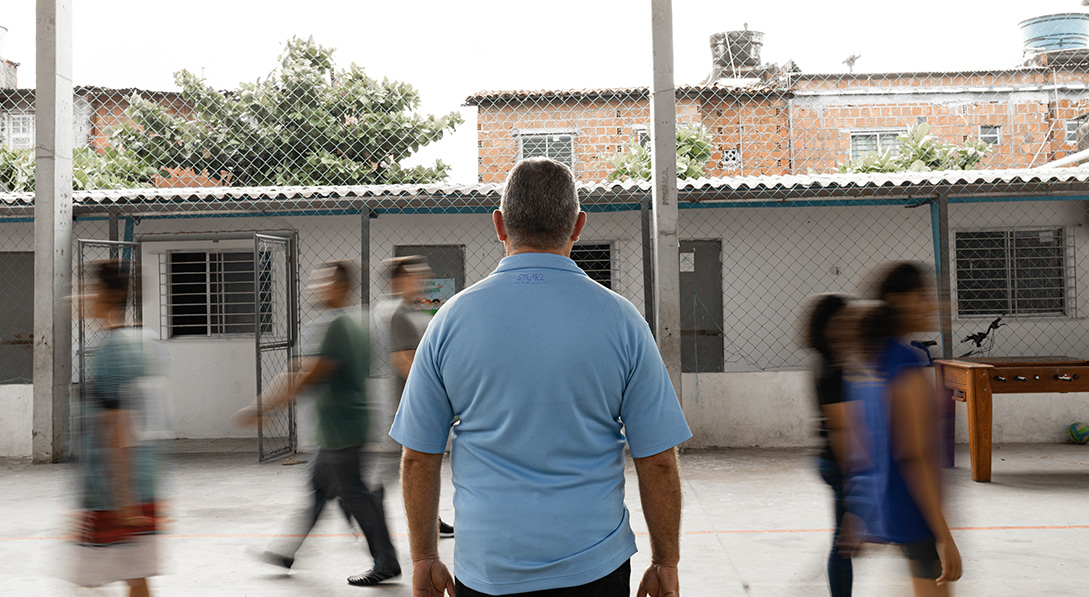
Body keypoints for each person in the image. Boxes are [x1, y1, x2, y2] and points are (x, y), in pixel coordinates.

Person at [390, 157, 692, 597]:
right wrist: (666, 561)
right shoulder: (622, 321)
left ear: (499, 224)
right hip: (596, 567)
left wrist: (424, 558)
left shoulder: (449, 322)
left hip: (487, 569)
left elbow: (418, 457)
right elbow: (659, 461)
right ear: (578, 226)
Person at [237, 261, 401, 587]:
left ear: (340, 286)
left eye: (323, 281)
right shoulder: (358, 321)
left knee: (355, 495)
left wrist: (265, 407)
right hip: (342, 426)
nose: (316, 288)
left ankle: (386, 561)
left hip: (342, 429)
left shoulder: (338, 326)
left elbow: (309, 374)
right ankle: (287, 551)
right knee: (316, 491)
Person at [848, 262, 962, 596]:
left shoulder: (874, 359)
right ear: (897, 301)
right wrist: (943, 535)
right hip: (916, 512)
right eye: (922, 296)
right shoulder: (905, 365)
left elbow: (865, 445)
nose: (932, 305)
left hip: (895, 507)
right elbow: (915, 455)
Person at [66, 260, 166, 597]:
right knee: (134, 577)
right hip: (142, 482)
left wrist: (124, 501)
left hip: (114, 490)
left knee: (96, 580)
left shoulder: (110, 349)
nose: (78, 296)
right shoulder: (146, 341)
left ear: (106, 295)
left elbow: (120, 425)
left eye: (86, 288)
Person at [380, 255, 454, 538]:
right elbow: (404, 360)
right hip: (412, 402)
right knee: (411, 466)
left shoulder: (414, 311)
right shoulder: (398, 314)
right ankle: (361, 503)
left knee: (420, 464)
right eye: (415, 276)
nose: (421, 282)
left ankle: (431, 520)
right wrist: (431, 393)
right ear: (399, 281)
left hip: (420, 401)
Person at [802, 294, 854, 597]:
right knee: (844, 542)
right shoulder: (831, 369)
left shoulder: (834, 362)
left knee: (844, 540)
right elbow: (840, 427)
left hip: (834, 460)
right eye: (844, 321)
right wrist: (856, 479)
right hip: (838, 462)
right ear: (829, 327)